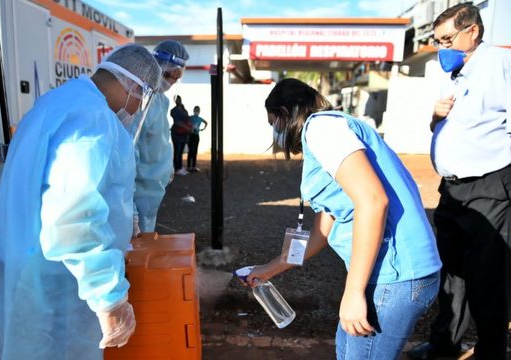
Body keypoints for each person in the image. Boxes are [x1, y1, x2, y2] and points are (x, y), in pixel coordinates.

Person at [0, 44, 161, 359]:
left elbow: (64, 187)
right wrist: (109, 296)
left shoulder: (59, 103)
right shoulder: (94, 120)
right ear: (132, 85)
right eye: (141, 100)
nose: (135, 111)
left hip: (19, 262)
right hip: (54, 279)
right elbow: (73, 216)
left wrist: (122, 213)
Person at [246, 78, 442, 359]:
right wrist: (269, 269)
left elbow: (373, 202)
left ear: (285, 114)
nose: (275, 133)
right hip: (388, 276)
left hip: (396, 276)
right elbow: (324, 229)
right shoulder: (331, 133)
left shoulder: (322, 129)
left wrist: (353, 292)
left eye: (273, 123)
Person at [408, 3, 511, 359]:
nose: (442, 48)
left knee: (488, 277)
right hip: (452, 189)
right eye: (437, 41)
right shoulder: (454, 75)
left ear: (473, 31)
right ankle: (444, 346)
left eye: (448, 39)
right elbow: (452, 129)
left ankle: (491, 351)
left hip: (489, 186)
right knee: (452, 274)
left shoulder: (500, 65)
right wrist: (434, 118)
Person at [132, 40, 189, 235]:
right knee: (137, 244)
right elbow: (128, 152)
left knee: (146, 237)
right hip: (140, 188)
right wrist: (130, 208)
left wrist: (168, 166)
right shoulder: (138, 100)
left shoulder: (160, 101)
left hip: (153, 186)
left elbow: (160, 137)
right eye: (167, 75)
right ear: (154, 66)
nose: (170, 82)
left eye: (175, 78)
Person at [170, 94, 191, 176]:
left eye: (180, 99)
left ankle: (180, 167)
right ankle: (177, 168)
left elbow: (187, 119)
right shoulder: (174, 110)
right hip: (177, 133)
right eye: (177, 99)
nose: (179, 101)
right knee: (177, 151)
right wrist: (186, 127)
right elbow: (177, 122)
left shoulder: (183, 109)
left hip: (184, 133)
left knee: (181, 151)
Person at [187, 105, 208, 172]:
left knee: (195, 151)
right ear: (194, 110)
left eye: (197, 110)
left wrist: (202, 129)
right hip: (191, 135)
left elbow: (206, 122)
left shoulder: (200, 118)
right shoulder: (190, 117)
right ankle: (188, 166)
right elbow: (186, 122)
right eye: (195, 110)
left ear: (199, 111)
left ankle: (193, 166)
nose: (196, 111)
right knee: (190, 151)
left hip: (196, 136)